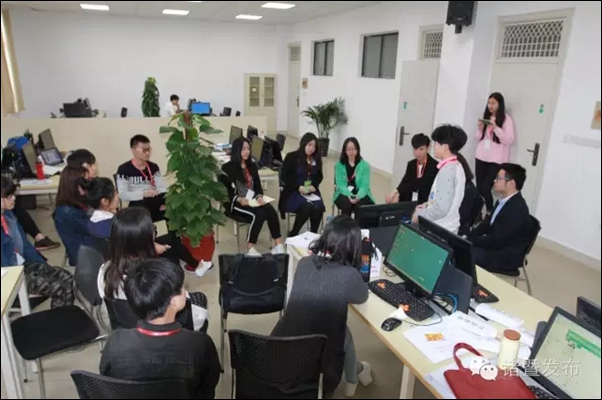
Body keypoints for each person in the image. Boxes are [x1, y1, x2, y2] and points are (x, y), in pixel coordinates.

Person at [272, 216, 371, 397]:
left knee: (343, 331)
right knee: (343, 332)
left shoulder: (304, 263)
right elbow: (362, 297)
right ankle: (354, 376)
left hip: (278, 357)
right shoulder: (349, 275)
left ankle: (355, 375)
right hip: (319, 373)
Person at [99, 258, 221, 399]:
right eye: (182, 288)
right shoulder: (199, 344)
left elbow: (108, 381)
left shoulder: (116, 342)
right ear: (173, 300)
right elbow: (208, 388)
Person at [98, 207, 211, 331]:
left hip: (127, 332)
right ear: (146, 239)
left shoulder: (105, 271)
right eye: (152, 229)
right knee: (200, 301)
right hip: (164, 333)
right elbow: (187, 310)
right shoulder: (158, 277)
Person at [85, 179, 211, 276]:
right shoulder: (117, 224)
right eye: (115, 193)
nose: (118, 195)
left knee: (169, 241)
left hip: (117, 261)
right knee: (171, 244)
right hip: (134, 263)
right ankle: (184, 275)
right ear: (104, 201)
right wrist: (154, 248)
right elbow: (140, 241)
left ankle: (194, 266)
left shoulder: (92, 222)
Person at [2, 176, 74, 308]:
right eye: (8, 196)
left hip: (22, 265)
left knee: (67, 277)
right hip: (10, 276)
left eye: (13, 194)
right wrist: (19, 287)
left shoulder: (8, 216)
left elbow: (25, 245)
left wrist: (43, 262)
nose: (13, 198)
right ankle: (60, 318)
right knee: (59, 287)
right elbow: (6, 268)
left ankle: (61, 317)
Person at [221, 137, 285, 255]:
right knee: (259, 215)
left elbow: (258, 187)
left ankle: (278, 244)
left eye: (248, 149)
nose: (247, 152)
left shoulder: (252, 166)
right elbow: (225, 192)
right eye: (243, 149)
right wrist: (238, 199)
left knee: (270, 210)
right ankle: (250, 247)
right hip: (236, 202)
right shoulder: (227, 168)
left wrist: (259, 196)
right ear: (237, 150)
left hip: (251, 199)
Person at [467, 164, 532, 276]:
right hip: (496, 245)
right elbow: (488, 224)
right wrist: (469, 235)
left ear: (511, 183)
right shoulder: (502, 200)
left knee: (464, 253)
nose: (494, 181)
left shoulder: (516, 209)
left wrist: (473, 241)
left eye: (498, 178)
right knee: (463, 246)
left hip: (504, 255)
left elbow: (498, 240)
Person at [413, 125, 472, 234]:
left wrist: (420, 215)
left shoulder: (447, 171)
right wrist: (427, 205)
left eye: (436, 143)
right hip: (448, 225)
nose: (434, 147)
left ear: (445, 147)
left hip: (440, 228)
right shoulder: (457, 165)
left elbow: (442, 209)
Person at [475, 92, 515, 214]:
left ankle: (490, 211)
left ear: (499, 104)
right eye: (489, 103)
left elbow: (509, 139)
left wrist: (496, 128)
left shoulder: (506, 119)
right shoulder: (486, 117)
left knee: (486, 187)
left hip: (496, 160)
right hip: (481, 157)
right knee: (479, 187)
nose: (490, 106)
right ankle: (477, 213)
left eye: (493, 103)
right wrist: (480, 128)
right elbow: (478, 137)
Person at [279, 133, 325, 236]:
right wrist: (298, 187)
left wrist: (314, 185)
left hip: (310, 191)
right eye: (309, 145)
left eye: (314, 146)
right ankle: (294, 233)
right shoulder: (292, 157)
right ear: (303, 144)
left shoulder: (316, 159)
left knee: (317, 208)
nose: (311, 148)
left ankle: (313, 234)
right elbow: (285, 176)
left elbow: (319, 176)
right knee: (306, 207)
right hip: (294, 191)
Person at [116, 135, 168, 222]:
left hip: (154, 199)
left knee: (170, 205)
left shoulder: (153, 167)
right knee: (144, 205)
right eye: (144, 150)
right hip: (137, 202)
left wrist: (158, 193)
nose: (147, 153)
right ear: (133, 150)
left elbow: (162, 188)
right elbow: (123, 194)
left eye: (149, 150)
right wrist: (143, 194)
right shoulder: (124, 169)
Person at [53, 166, 94, 266]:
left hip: (88, 246)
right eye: (85, 182)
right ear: (74, 185)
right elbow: (94, 228)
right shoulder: (68, 212)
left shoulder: (77, 201)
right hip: (85, 256)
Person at [386, 133, 439, 204]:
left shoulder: (435, 166)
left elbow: (421, 184)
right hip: (410, 199)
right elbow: (405, 181)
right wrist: (397, 192)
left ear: (428, 148)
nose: (417, 153)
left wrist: (397, 191)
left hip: (425, 201)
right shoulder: (411, 164)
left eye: (421, 149)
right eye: (415, 149)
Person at [333, 137, 375, 217]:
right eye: (348, 149)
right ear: (344, 150)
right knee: (346, 205)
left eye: (353, 149)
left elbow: (364, 185)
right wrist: (349, 195)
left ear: (357, 150)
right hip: (343, 192)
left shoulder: (365, 165)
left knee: (360, 206)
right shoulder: (339, 165)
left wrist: (358, 196)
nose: (351, 152)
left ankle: (358, 225)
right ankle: (346, 225)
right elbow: (341, 184)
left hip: (361, 192)